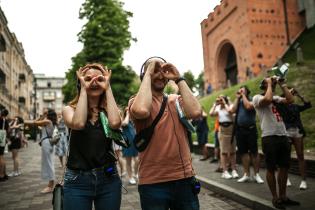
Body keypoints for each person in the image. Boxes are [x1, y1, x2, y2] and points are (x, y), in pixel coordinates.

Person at [129, 56, 202, 210]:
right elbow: (141, 110)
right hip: (153, 183)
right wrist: (148, 73)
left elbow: (196, 112)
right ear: (145, 76)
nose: (161, 75)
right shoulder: (136, 101)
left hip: (184, 179)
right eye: (155, 71)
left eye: (163, 71)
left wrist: (179, 78)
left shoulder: (176, 100)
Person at [62, 63, 122, 210]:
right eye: (88, 79)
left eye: (99, 79)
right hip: (77, 180)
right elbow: (78, 123)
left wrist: (107, 87)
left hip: (108, 178)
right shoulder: (69, 109)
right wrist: (83, 88)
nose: (94, 82)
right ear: (80, 82)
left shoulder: (110, 110)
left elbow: (115, 123)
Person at [253, 76, 300, 209]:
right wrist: (269, 83)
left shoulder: (276, 98)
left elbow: (290, 99)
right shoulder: (257, 98)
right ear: (264, 86)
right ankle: (275, 198)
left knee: (284, 167)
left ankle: (283, 196)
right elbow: (267, 99)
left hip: (282, 135)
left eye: (272, 85)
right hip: (269, 137)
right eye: (269, 84)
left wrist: (282, 84)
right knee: (271, 168)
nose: (272, 86)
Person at [231, 86, 264, 184]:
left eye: (243, 89)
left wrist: (243, 96)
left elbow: (248, 106)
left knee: (254, 152)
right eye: (240, 89)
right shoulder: (239, 101)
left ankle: (256, 174)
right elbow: (232, 110)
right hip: (240, 131)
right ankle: (246, 174)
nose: (240, 91)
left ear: (247, 91)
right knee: (243, 152)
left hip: (251, 130)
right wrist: (237, 98)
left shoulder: (252, 99)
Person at [282, 87, 311, 190]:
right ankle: (286, 178)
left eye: (292, 92)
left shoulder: (295, 106)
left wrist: (299, 95)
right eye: (289, 91)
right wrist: (286, 93)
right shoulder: (282, 105)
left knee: (300, 155)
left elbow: (308, 105)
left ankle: (303, 181)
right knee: (286, 156)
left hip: (297, 132)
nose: (291, 93)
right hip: (287, 132)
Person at [25, 109, 58, 193]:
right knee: (49, 163)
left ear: (48, 114)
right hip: (48, 143)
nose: (43, 113)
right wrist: (43, 116)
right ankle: (50, 184)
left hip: (47, 143)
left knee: (49, 164)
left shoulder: (47, 121)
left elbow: (35, 122)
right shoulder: (50, 121)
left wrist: (42, 116)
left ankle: (50, 186)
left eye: (45, 112)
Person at [209, 95, 239, 179]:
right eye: (218, 99)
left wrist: (225, 103)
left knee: (233, 151)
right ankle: (225, 171)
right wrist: (215, 104)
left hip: (231, 130)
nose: (220, 101)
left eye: (221, 99)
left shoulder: (230, 106)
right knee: (223, 152)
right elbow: (211, 113)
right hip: (222, 130)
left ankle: (233, 170)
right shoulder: (218, 108)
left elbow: (230, 111)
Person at [121, 107, 139, 185]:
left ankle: (135, 173)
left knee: (138, 159)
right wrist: (127, 114)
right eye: (127, 111)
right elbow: (124, 123)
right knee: (129, 161)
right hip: (127, 143)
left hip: (135, 143)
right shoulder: (124, 120)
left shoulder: (133, 121)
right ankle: (131, 177)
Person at [0, 109, 9, 182]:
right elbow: (8, 130)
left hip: (0, 140)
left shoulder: (1, 120)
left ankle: (1, 175)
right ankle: (4, 174)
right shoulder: (5, 121)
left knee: (1, 157)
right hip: (3, 140)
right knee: (2, 156)